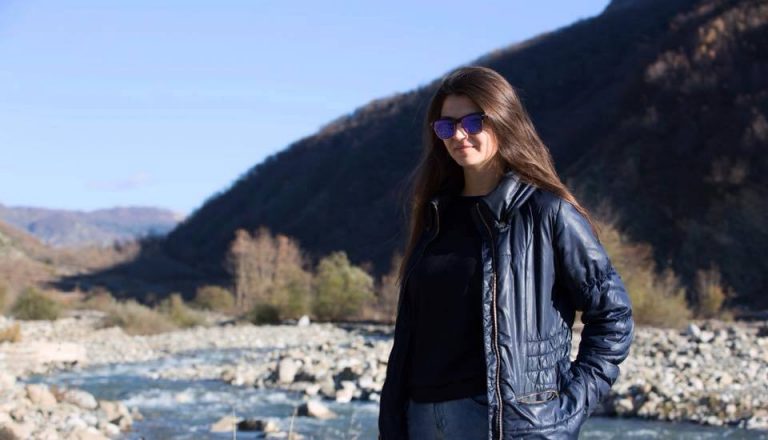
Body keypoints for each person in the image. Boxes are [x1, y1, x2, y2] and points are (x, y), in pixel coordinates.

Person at [378, 66, 635, 440]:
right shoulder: (435, 217)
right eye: (446, 127)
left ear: (503, 120)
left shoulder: (548, 213)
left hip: (501, 423)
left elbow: (613, 315)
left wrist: (569, 406)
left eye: (472, 122)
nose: (459, 135)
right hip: (420, 420)